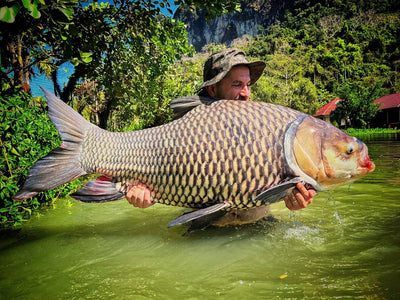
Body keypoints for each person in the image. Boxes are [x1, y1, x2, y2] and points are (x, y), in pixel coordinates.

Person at [126, 48, 316, 225]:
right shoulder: (183, 135)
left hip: (258, 226)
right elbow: (162, 180)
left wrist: (292, 199)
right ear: (212, 89)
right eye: (237, 85)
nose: (246, 94)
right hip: (205, 232)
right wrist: (146, 194)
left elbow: (280, 183)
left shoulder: (264, 128)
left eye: (247, 85)